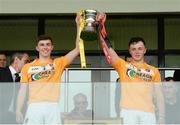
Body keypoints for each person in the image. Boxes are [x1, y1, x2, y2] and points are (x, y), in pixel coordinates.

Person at [96, 12, 165, 124]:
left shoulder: (154, 71)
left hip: (148, 112)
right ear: (129, 51)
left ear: (145, 50)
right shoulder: (123, 66)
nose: (137, 51)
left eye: (139, 48)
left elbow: (159, 95)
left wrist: (162, 117)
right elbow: (108, 49)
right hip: (128, 111)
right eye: (133, 49)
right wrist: (100, 28)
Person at [16, 14, 81, 124]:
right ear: (37, 48)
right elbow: (22, 90)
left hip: (53, 105)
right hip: (33, 106)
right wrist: (18, 110)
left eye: (48, 44)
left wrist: (78, 25)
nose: (45, 47)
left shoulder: (58, 63)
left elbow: (78, 49)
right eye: (42, 45)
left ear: (52, 47)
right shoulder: (27, 67)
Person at [0, 52, 30, 124]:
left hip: (18, 117)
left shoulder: (25, 78)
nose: (28, 64)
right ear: (16, 60)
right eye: (26, 61)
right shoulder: (1, 72)